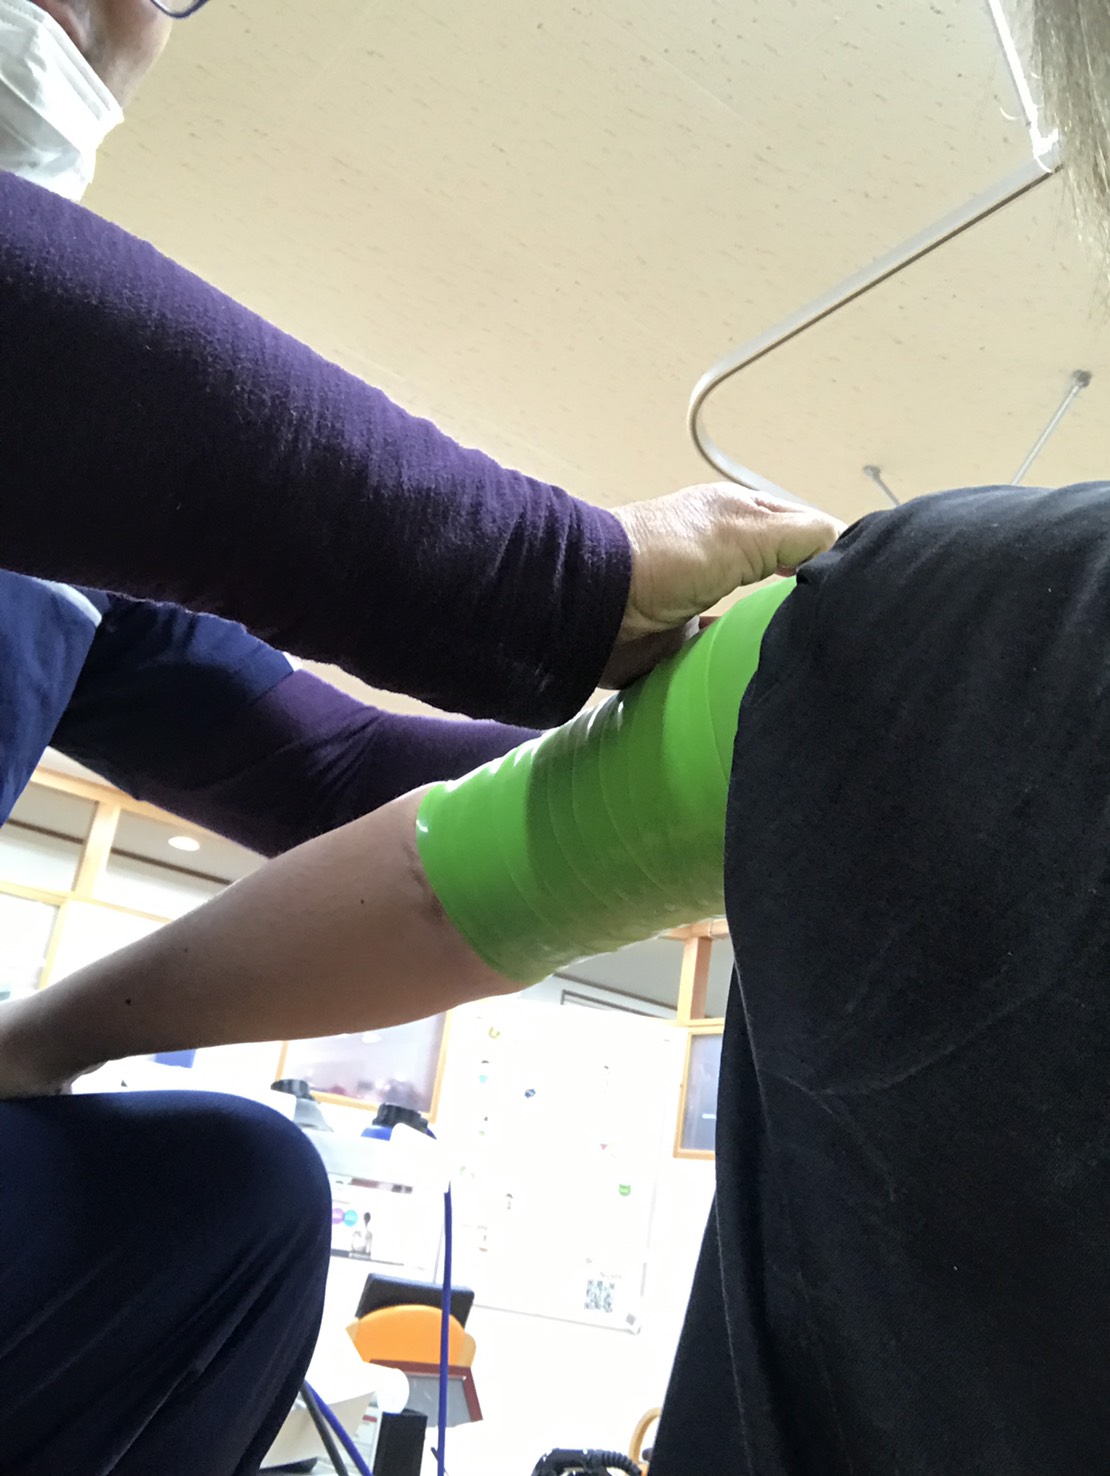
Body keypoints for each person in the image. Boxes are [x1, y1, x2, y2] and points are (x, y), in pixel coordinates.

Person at [0, 3, 839, 1473]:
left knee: (221, 1199)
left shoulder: (56, 578)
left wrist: (704, 752)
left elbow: (328, 777)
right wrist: (557, 576)